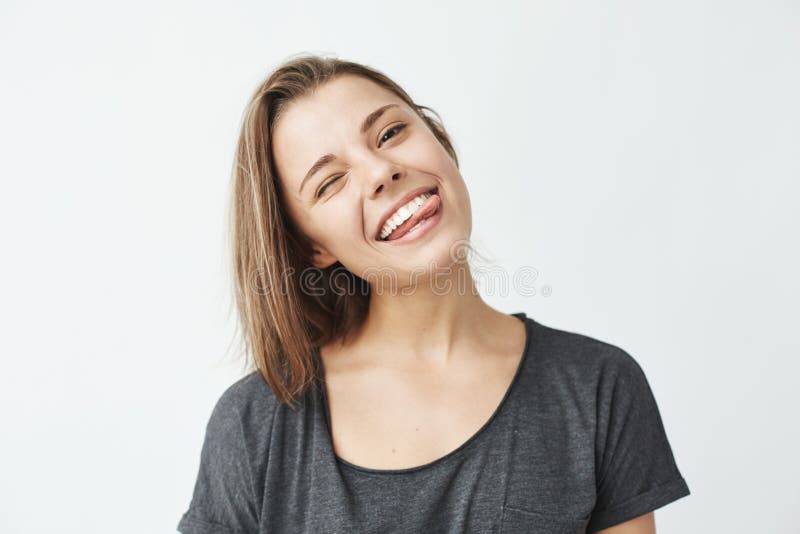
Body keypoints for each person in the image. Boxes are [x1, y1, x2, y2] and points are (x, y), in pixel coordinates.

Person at [177, 54, 690, 534]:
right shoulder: (252, 425)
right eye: (330, 182)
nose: (382, 171)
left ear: (439, 140)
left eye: (392, 132)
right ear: (310, 246)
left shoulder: (597, 388)